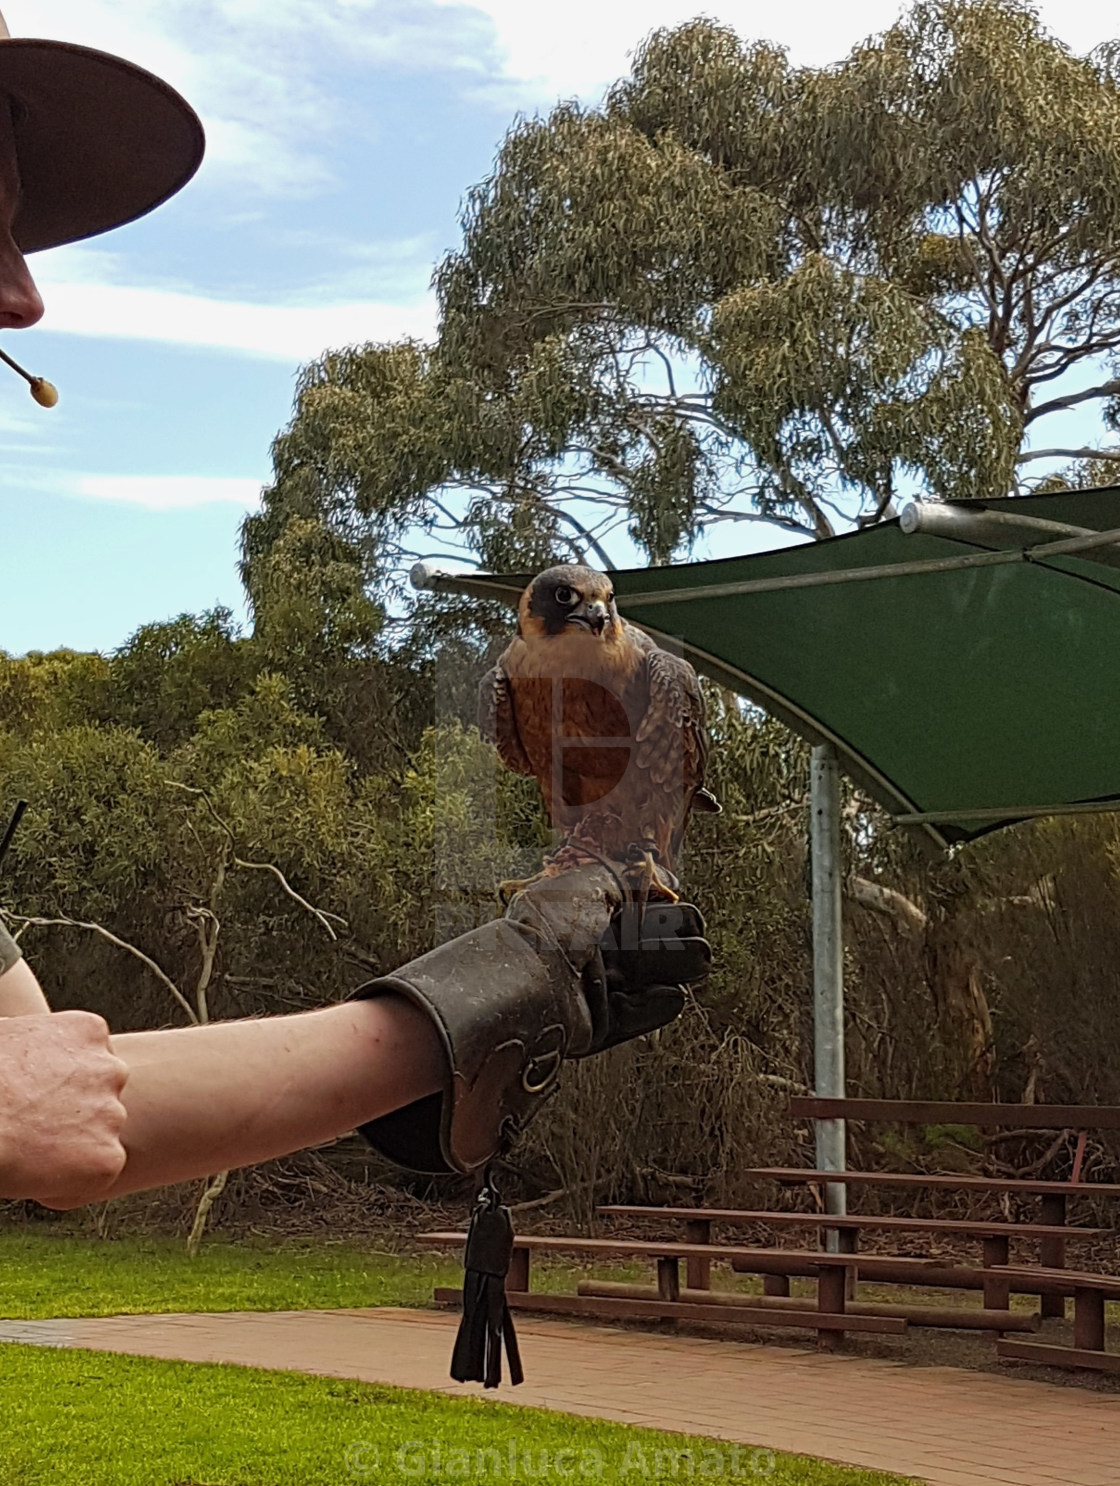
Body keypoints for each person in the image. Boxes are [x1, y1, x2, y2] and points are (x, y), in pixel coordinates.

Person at [0, 17, 708, 1209]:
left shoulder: (657, 683)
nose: (24, 293)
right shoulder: (510, 683)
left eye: (14, 225)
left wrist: (484, 1006)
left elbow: (69, 1114)